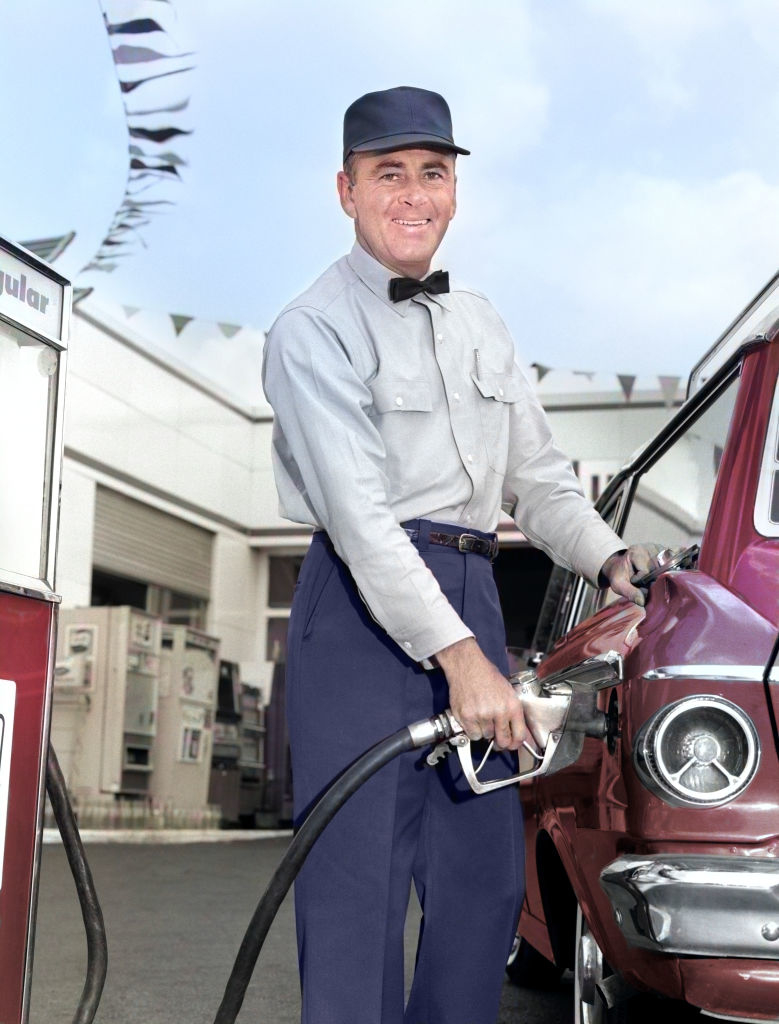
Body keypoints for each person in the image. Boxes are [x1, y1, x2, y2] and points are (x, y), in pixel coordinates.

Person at [262, 85, 657, 1024]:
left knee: (482, 887)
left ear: (454, 190)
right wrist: (459, 659)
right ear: (346, 190)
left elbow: (540, 480)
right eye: (388, 173)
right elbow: (361, 523)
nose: (413, 194)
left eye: (431, 173)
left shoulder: (480, 320)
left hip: (470, 595)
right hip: (360, 612)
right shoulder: (310, 328)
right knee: (355, 897)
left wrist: (614, 562)